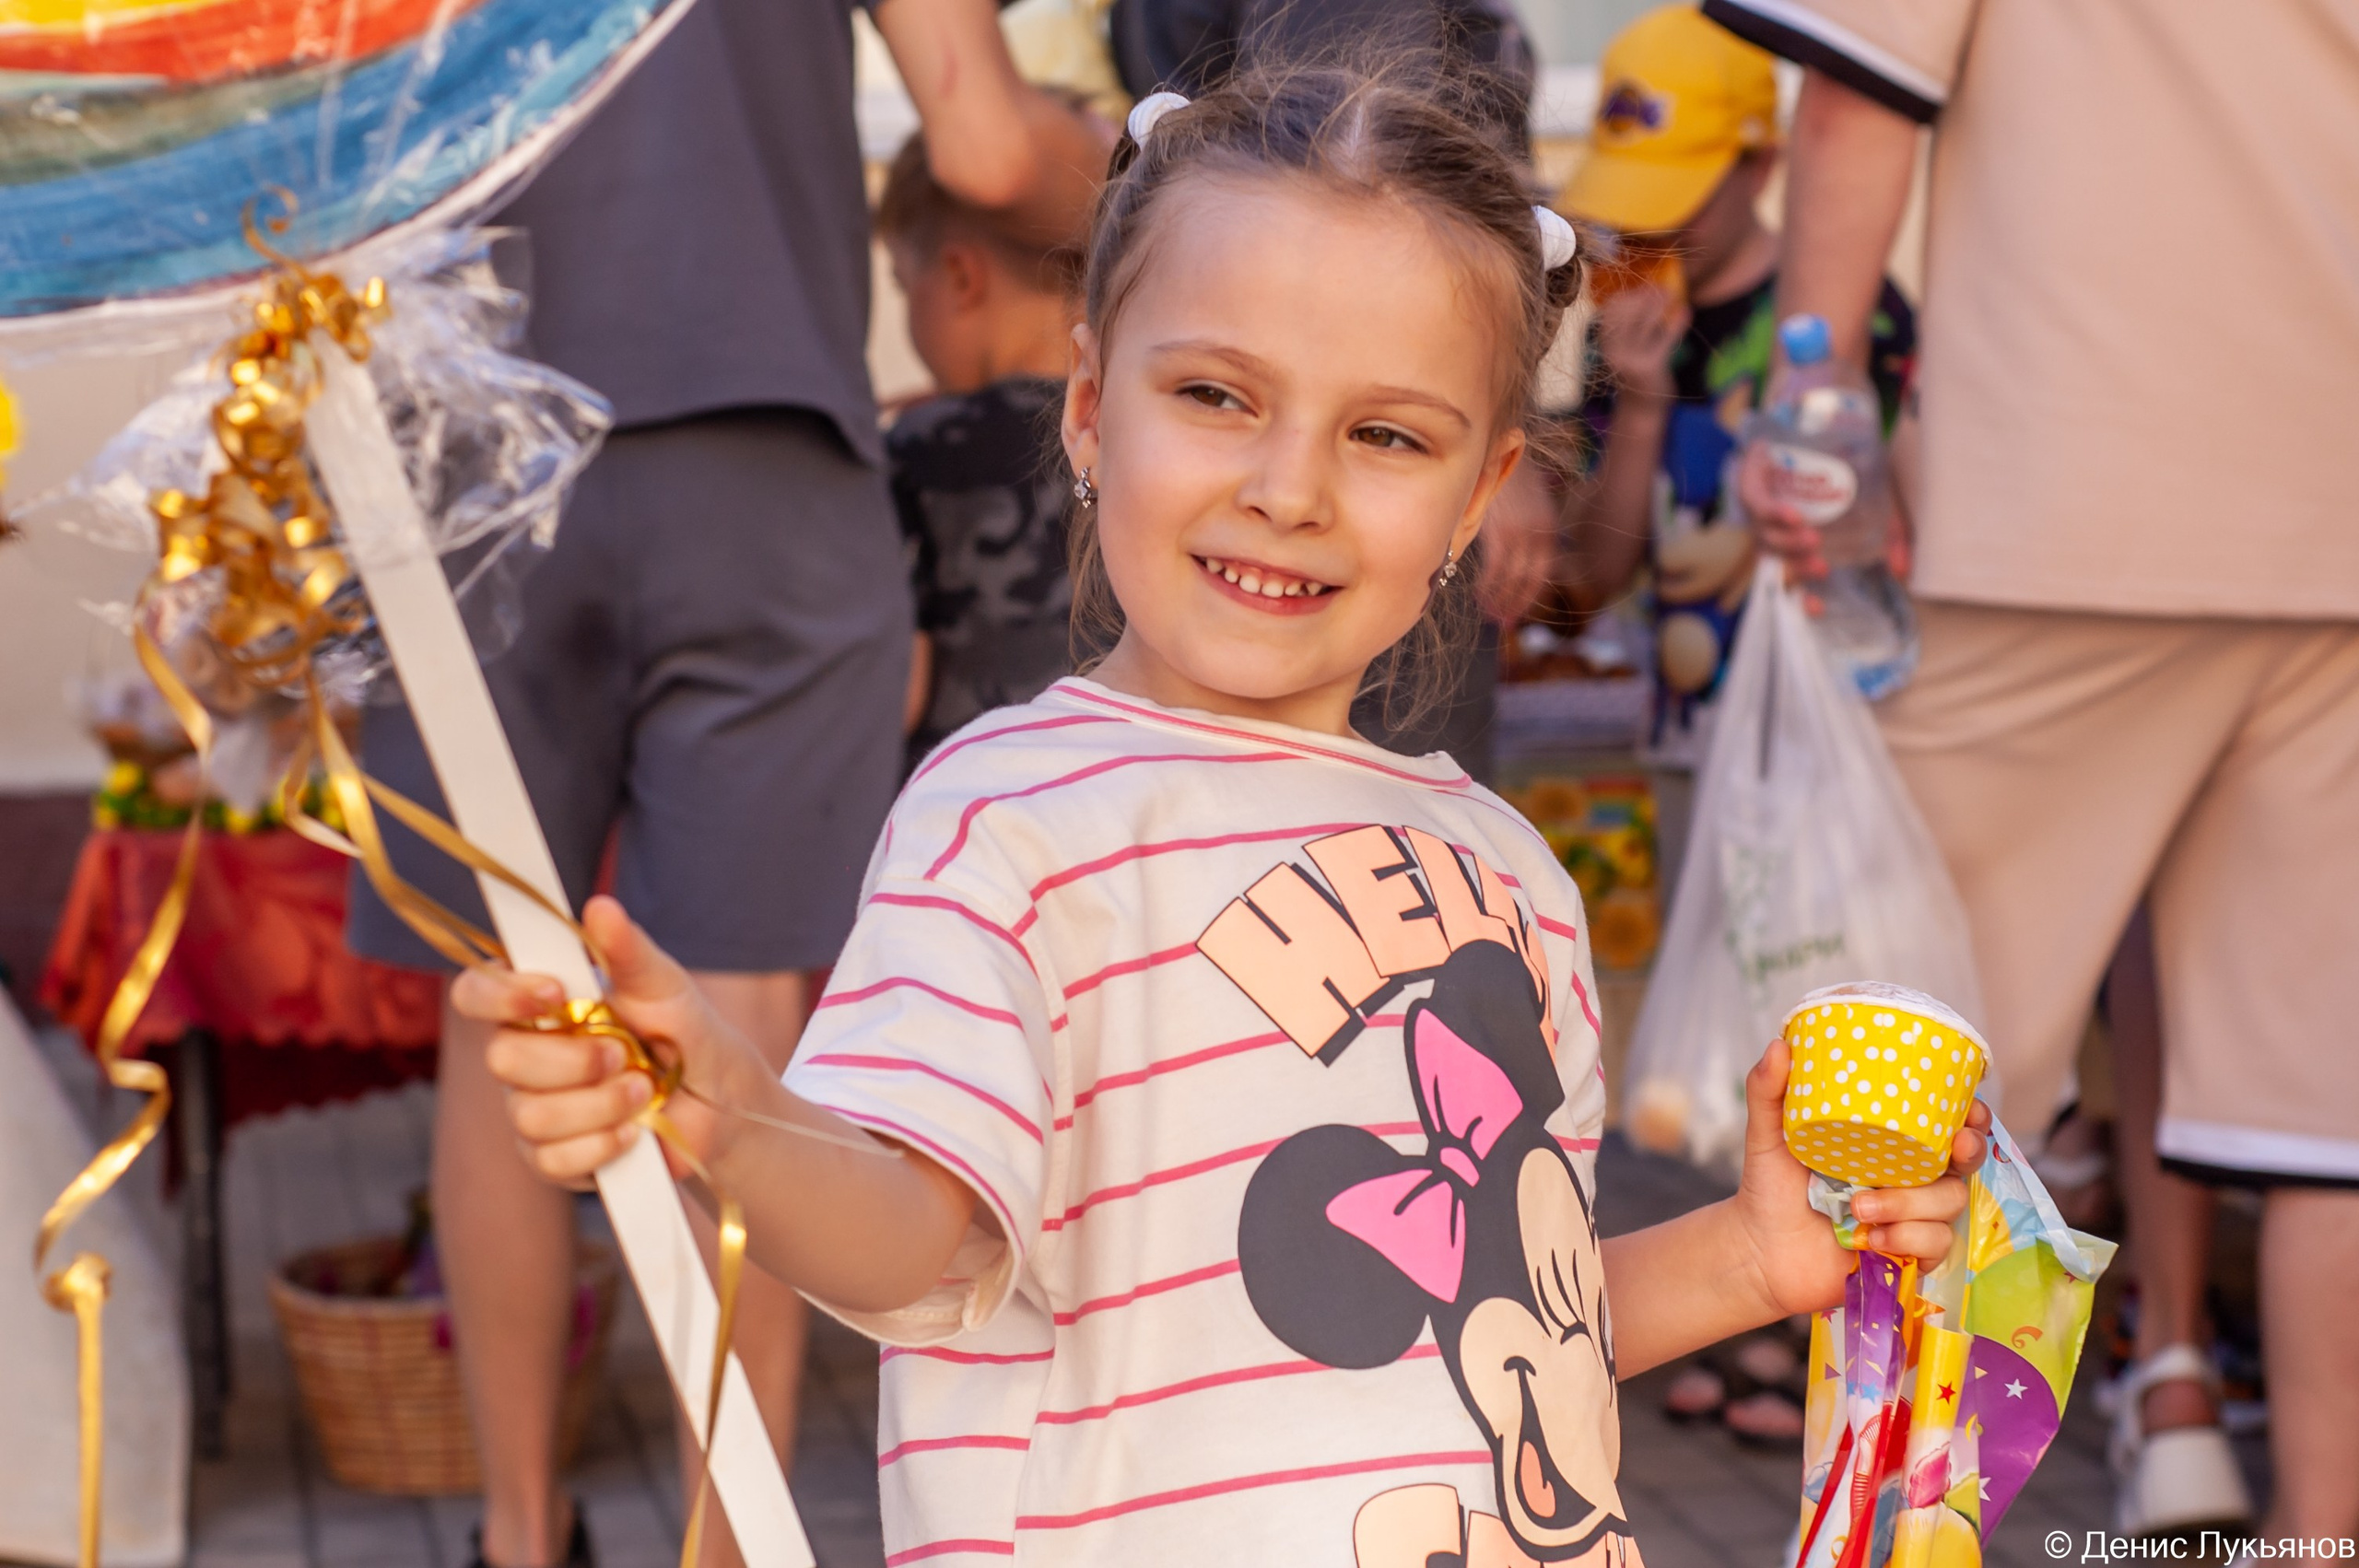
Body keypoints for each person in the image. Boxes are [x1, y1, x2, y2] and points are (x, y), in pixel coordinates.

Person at [452, 60, 1986, 1564]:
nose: (1289, 486)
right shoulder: (1010, 824)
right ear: (1088, 413)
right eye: (1214, 394)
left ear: (1477, 498)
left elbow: (1518, 1312)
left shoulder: (1512, 874)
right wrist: (740, 1115)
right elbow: (917, 1245)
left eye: (1386, 435)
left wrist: (1748, 1256)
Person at [344, 0, 1109, 1562]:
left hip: (464, 451)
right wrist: (1181, 172)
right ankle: (724, 1538)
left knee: (505, 1016)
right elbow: (977, 140)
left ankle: (513, 1528)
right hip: (762, 444)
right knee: (744, 1031)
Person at [1708, 0, 2359, 1546]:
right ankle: (2319, 1519)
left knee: (1908, 1081)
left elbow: (1863, 85)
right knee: (2321, 1116)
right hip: (2340, 517)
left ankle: (1894, 1530)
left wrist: (1816, 411)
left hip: (2067, 488)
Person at [1557, 3, 1913, 907]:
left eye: (1675, 185)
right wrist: (1641, 407)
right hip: (1679, 745)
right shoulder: (1620, 323)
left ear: (1761, 163)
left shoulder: (1856, 319)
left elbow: (1893, 548)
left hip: (1831, 747)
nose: (1645, 229)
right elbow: (1590, 581)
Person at [877, 126, 1089, 764]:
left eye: (902, 281)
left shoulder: (925, 450)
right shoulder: (1152, 431)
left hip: (966, 810)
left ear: (959, 276)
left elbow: (896, 692)